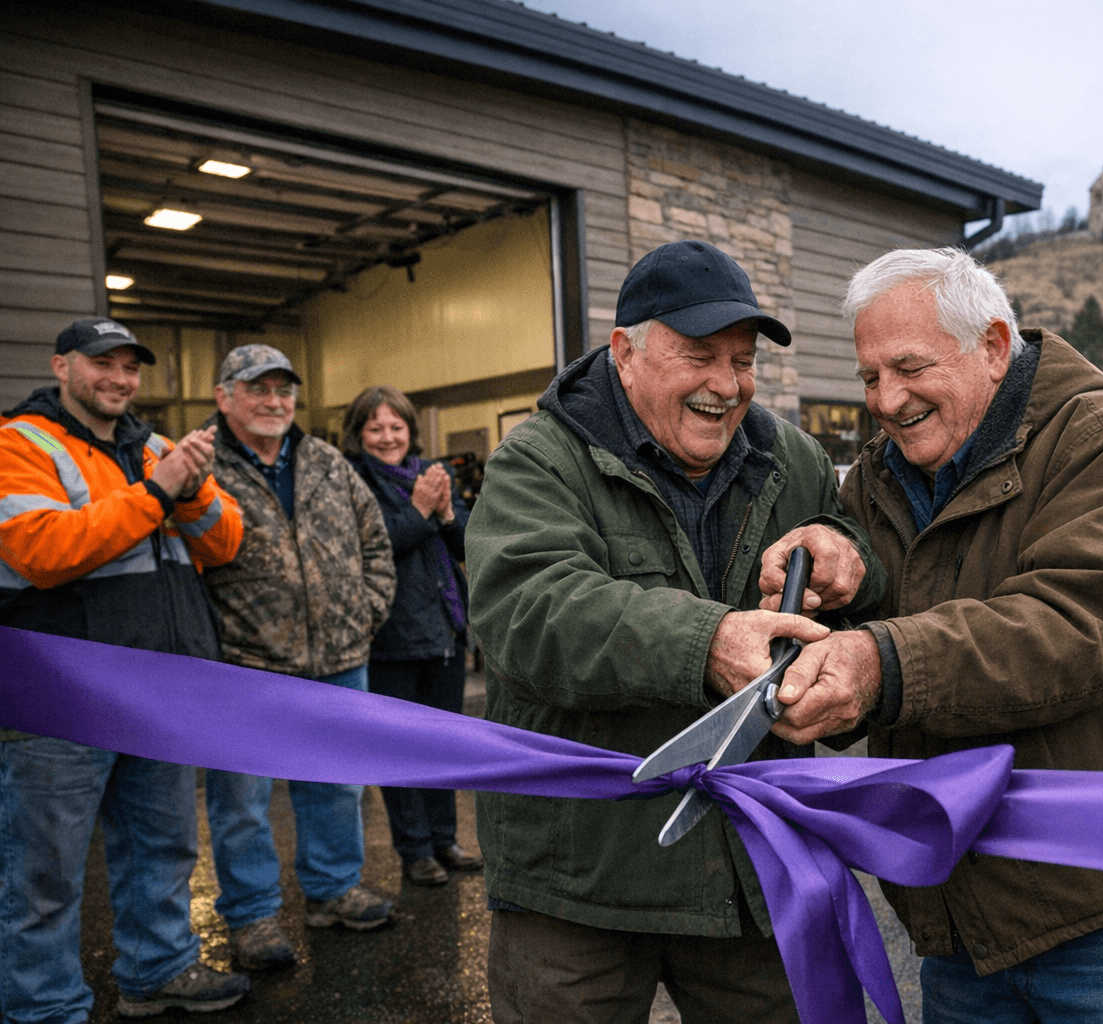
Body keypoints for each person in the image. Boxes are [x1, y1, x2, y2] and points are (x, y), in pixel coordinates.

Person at [763, 248, 1103, 1023]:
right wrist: (826, 603)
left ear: (994, 347)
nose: (887, 399)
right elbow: (879, 645)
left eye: (910, 368)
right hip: (967, 915)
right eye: (870, 377)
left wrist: (876, 665)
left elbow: (1080, 625)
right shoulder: (876, 478)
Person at [465, 239, 886, 1023]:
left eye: (743, 361)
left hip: (749, 867)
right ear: (625, 354)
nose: (727, 385)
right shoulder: (541, 460)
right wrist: (708, 642)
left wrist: (849, 559)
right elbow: (529, 610)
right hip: (577, 879)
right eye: (700, 356)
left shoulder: (791, 458)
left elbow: (859, 581)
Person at [0, 318, 251, 1019]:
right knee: (42, 871)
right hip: (59, 693)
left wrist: (190, 488)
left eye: (130, 367)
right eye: (101, 363)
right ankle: (42, 1007)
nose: (119, 379)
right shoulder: (19, 443)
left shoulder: (157, 447)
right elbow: (42, 550)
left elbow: (225, 542)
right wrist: (158, 491)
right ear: (61, 366)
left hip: (157, 689)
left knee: (162, 847)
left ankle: (158, 968)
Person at [198, 344, 397, 972]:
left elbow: (375, 541)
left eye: (283, 389)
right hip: (243, 663)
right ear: (223, 396)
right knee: (241, 802)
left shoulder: (326, 461)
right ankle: (253, 915)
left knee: (336, 784)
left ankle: (333, 889)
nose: (274, 401)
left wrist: (366, 610)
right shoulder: (197, 462)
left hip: (338, 654)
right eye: (258, 388)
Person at [342, 385, 482, 888]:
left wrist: (445, 514)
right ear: (358, 434)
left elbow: (469, 544)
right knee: (398, 749)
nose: (387, 437)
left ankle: (445, 839)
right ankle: (415, 849)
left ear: (411, 431)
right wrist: (422, 512)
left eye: (396, 427)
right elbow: (372, 547)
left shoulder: (431, 474)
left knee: (442, 746)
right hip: (390, 637)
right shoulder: (351, 481)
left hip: (444, 632)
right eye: (375, 428)